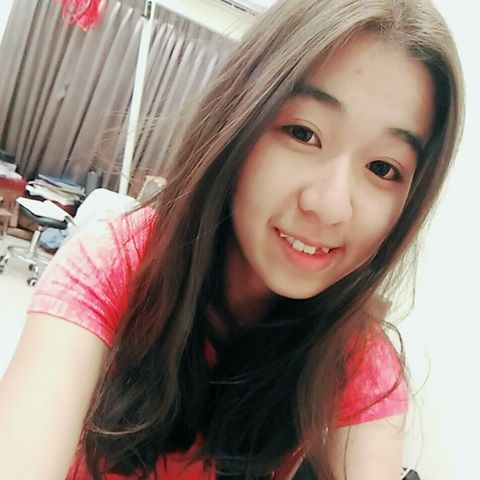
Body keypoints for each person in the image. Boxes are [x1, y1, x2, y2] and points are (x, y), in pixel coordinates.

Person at [0, 0, 464, 479]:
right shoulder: (117, 264)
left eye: (383, 168)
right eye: (303, 133)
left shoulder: (355, 358)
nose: (330, 206)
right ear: (238, 120)